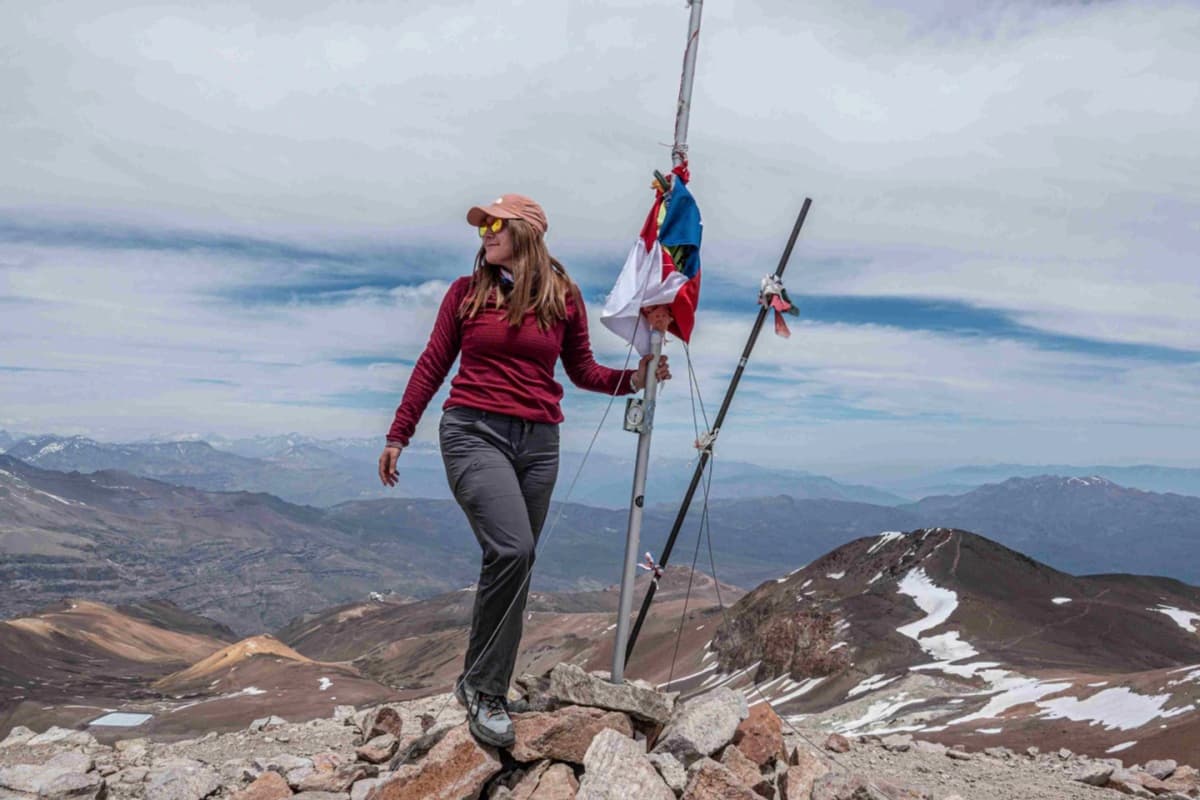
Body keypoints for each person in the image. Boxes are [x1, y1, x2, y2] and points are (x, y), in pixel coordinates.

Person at [377, 193, 671, 747]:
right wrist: (399, 433)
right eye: (481, 225)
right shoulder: (465, 295)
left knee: (515, 567)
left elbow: (581, 371)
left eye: (495, 224)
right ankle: (487, 692)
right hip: (472, 433)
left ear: (528, 233)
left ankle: (480, 682)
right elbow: (432, 363)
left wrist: (637, 377)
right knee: (513, 549)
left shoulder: (563, 297)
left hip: (539, 443)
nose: (484, 232)